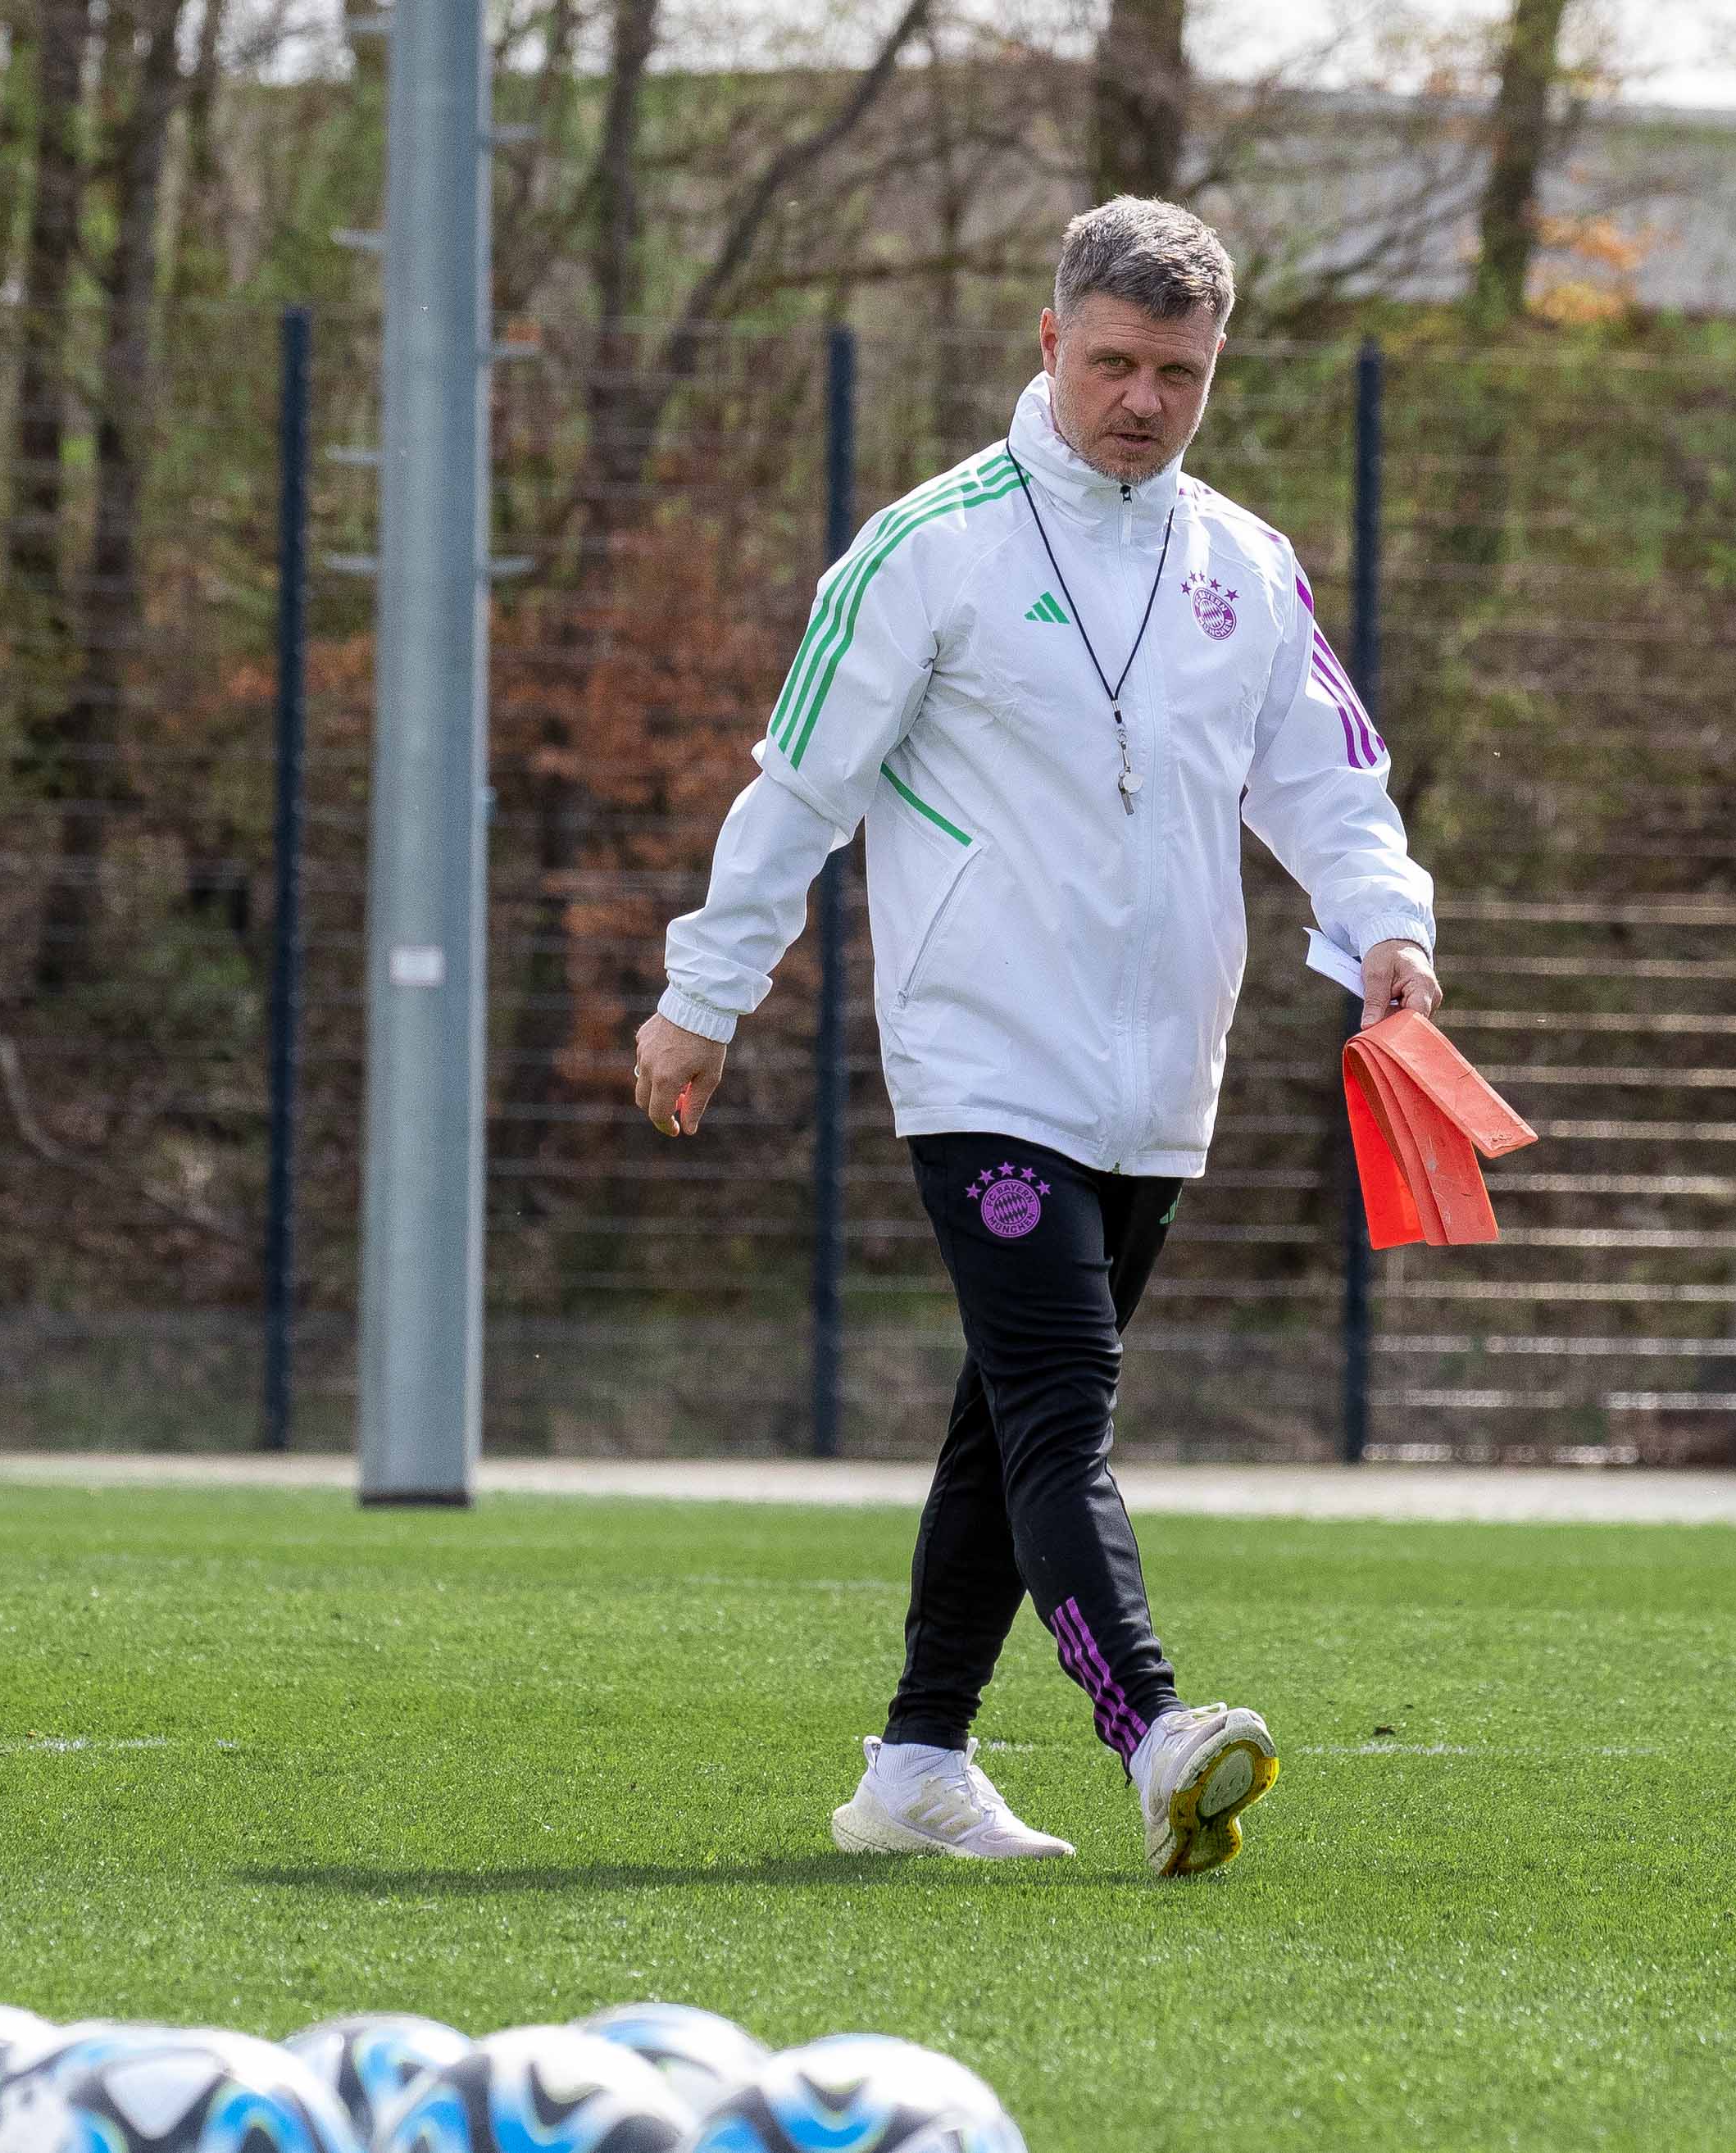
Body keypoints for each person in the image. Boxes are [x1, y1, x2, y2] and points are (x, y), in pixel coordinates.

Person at [629, 198, 1442, 1877]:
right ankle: (1152, 1731)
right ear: (1047, 345)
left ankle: (917, 1763)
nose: (1142, 400)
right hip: (980, 1056)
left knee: (1006, 1423)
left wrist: (1388, 931)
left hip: (1161, 1079)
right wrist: (704, 998)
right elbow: (799, 788)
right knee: (1064, 1397)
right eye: (1114, 362)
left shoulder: (1245, 565)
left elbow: (1329, 784)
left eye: (1180, 372)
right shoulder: (932, 546)